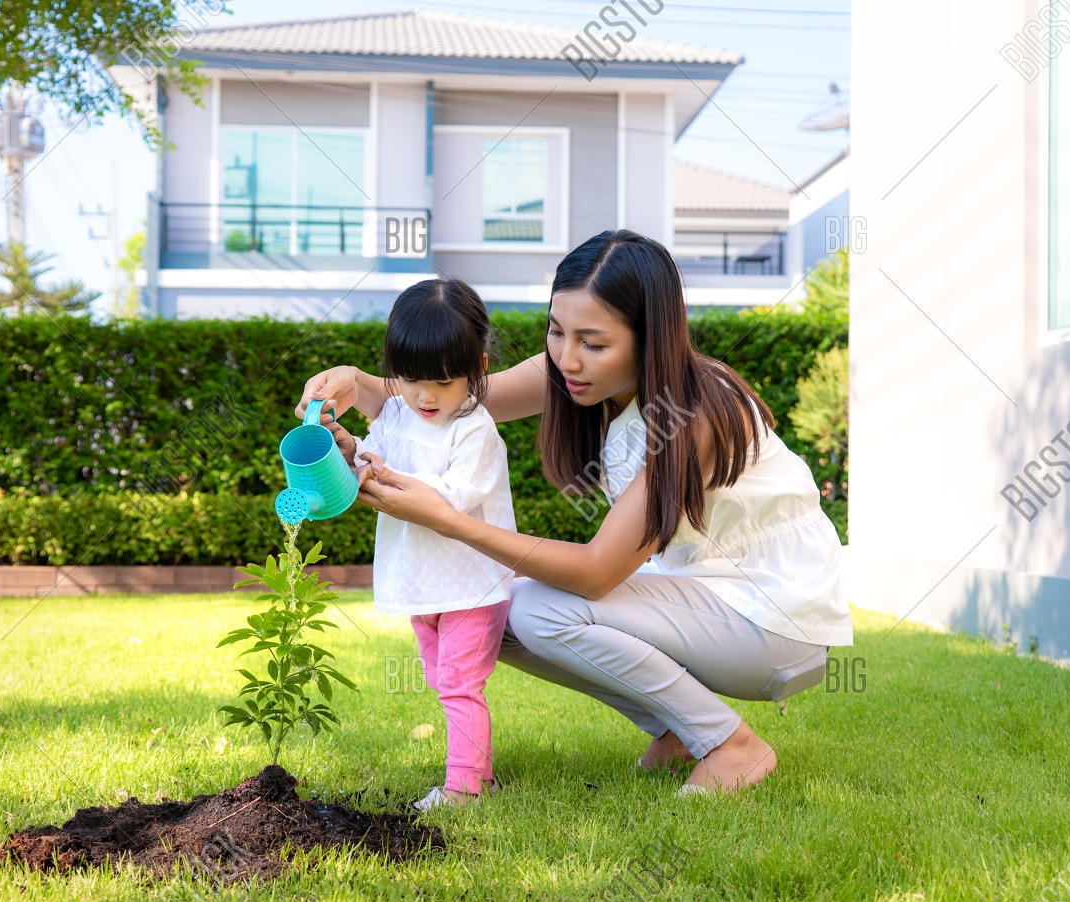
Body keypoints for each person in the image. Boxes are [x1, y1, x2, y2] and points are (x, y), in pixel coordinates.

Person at [301, 230, 853, 796]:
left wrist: (449, 520)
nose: (567, 358)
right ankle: (676, 730)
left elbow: (595, 572)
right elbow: (448, 399)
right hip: (707, 595)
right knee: (492, 607)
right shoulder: (575, 371)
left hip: (775, 618)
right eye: (556, 331)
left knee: (537, 609)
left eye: (593, 342)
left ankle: (730, 743)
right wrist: (357, 381)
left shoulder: (692, 415)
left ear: (649, 338)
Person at [321, 278, 516, 812]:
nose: (426, 397)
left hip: (472, 585)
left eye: (444, 382)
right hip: (422, 581)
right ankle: (478, 773)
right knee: (440, 679)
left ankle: (464, 788)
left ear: (477, 368)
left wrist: (381, 476)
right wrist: (351, 450)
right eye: (411, 380)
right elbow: (376, 454)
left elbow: (454, 498)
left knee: (458, 684)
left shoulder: (474, 430)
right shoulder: (396, 413)